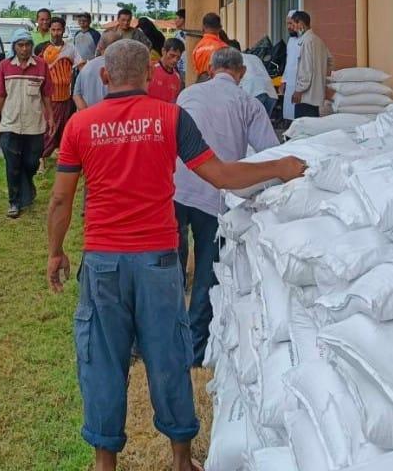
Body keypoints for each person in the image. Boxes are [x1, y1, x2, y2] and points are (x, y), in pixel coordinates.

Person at [46, 40, 306, 471]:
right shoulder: (171, 117)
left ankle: (104, 464)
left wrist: (55, 252)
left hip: (103, 260)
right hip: (158, 260)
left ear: (105, 76)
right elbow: (220, 174)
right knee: (168, 355)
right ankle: (181, 460)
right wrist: (278, 167)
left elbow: (60, 200)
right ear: (149, 76)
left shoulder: (80, 124)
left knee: (102, 360)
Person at [174, 47, 280, 366]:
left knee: (170, 265)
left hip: (177, 188)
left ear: (210, 69)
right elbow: (269, 151)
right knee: (208, 271)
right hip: (215, 195)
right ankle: (195, 349)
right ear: (241, 73)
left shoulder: (187, 95)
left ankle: (165, 337)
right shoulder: (247, 103)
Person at [0, 27, 54, 217]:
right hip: (10, 123)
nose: (24, 49)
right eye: (20, 45)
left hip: (34, 123)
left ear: (31, 46)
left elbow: (46, 95)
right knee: (12, 164)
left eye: (27, 45)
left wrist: (50, 117)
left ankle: (27, 186)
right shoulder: (4, 66)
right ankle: (14, 202)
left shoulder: (41, 66)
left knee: (31, 162)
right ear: (14, 47)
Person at [39, 14, 82, 158]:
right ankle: (41, 158)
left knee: (64, 128)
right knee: (48, 128)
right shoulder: (43, 49)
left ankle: (63, 155)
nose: (56, 33)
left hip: (66, 97)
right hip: (49, 98)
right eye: (53, 30)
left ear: (63, 30)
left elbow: (81, 66)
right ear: (49, 30)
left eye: (59, 30)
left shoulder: (71, 49)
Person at [289, 10, 333, 118]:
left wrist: (299, 90)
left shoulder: (307, 41)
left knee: (301, 126)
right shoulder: (319, 41)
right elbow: (330, 61)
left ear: (301, 23)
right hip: (316, 96)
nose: (293, 28)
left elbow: (306, 69)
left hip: (305, 97)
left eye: (294, 25)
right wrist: (321, 80)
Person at [73, 30, 120, 111]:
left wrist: (87, 113)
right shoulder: (122, 68)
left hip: (89, 115)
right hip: (112, 115)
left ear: (100, 45)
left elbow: (76, 95)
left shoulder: (86, 67)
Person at [191, 12, 226, 81]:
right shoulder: (224, 48)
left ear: (203, 27)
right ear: (220, 28)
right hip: (218, 84)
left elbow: (196, 70)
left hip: (202, 83)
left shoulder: (197, 48)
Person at [148, 37, 184, 103]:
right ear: (163, 51)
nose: (175, 60)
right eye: (172, 55)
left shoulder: (177, 77)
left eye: (178, 57)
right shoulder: (150, 69)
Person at [281, 16, 303, 122]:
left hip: (300, 84)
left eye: (291, 24)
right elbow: (288, 63)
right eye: (287, 24)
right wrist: (283, 81)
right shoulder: (290, 41)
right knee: (289, 113)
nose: (289, 27)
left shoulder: (305, 41)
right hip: (289, 82)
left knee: (299, 116)